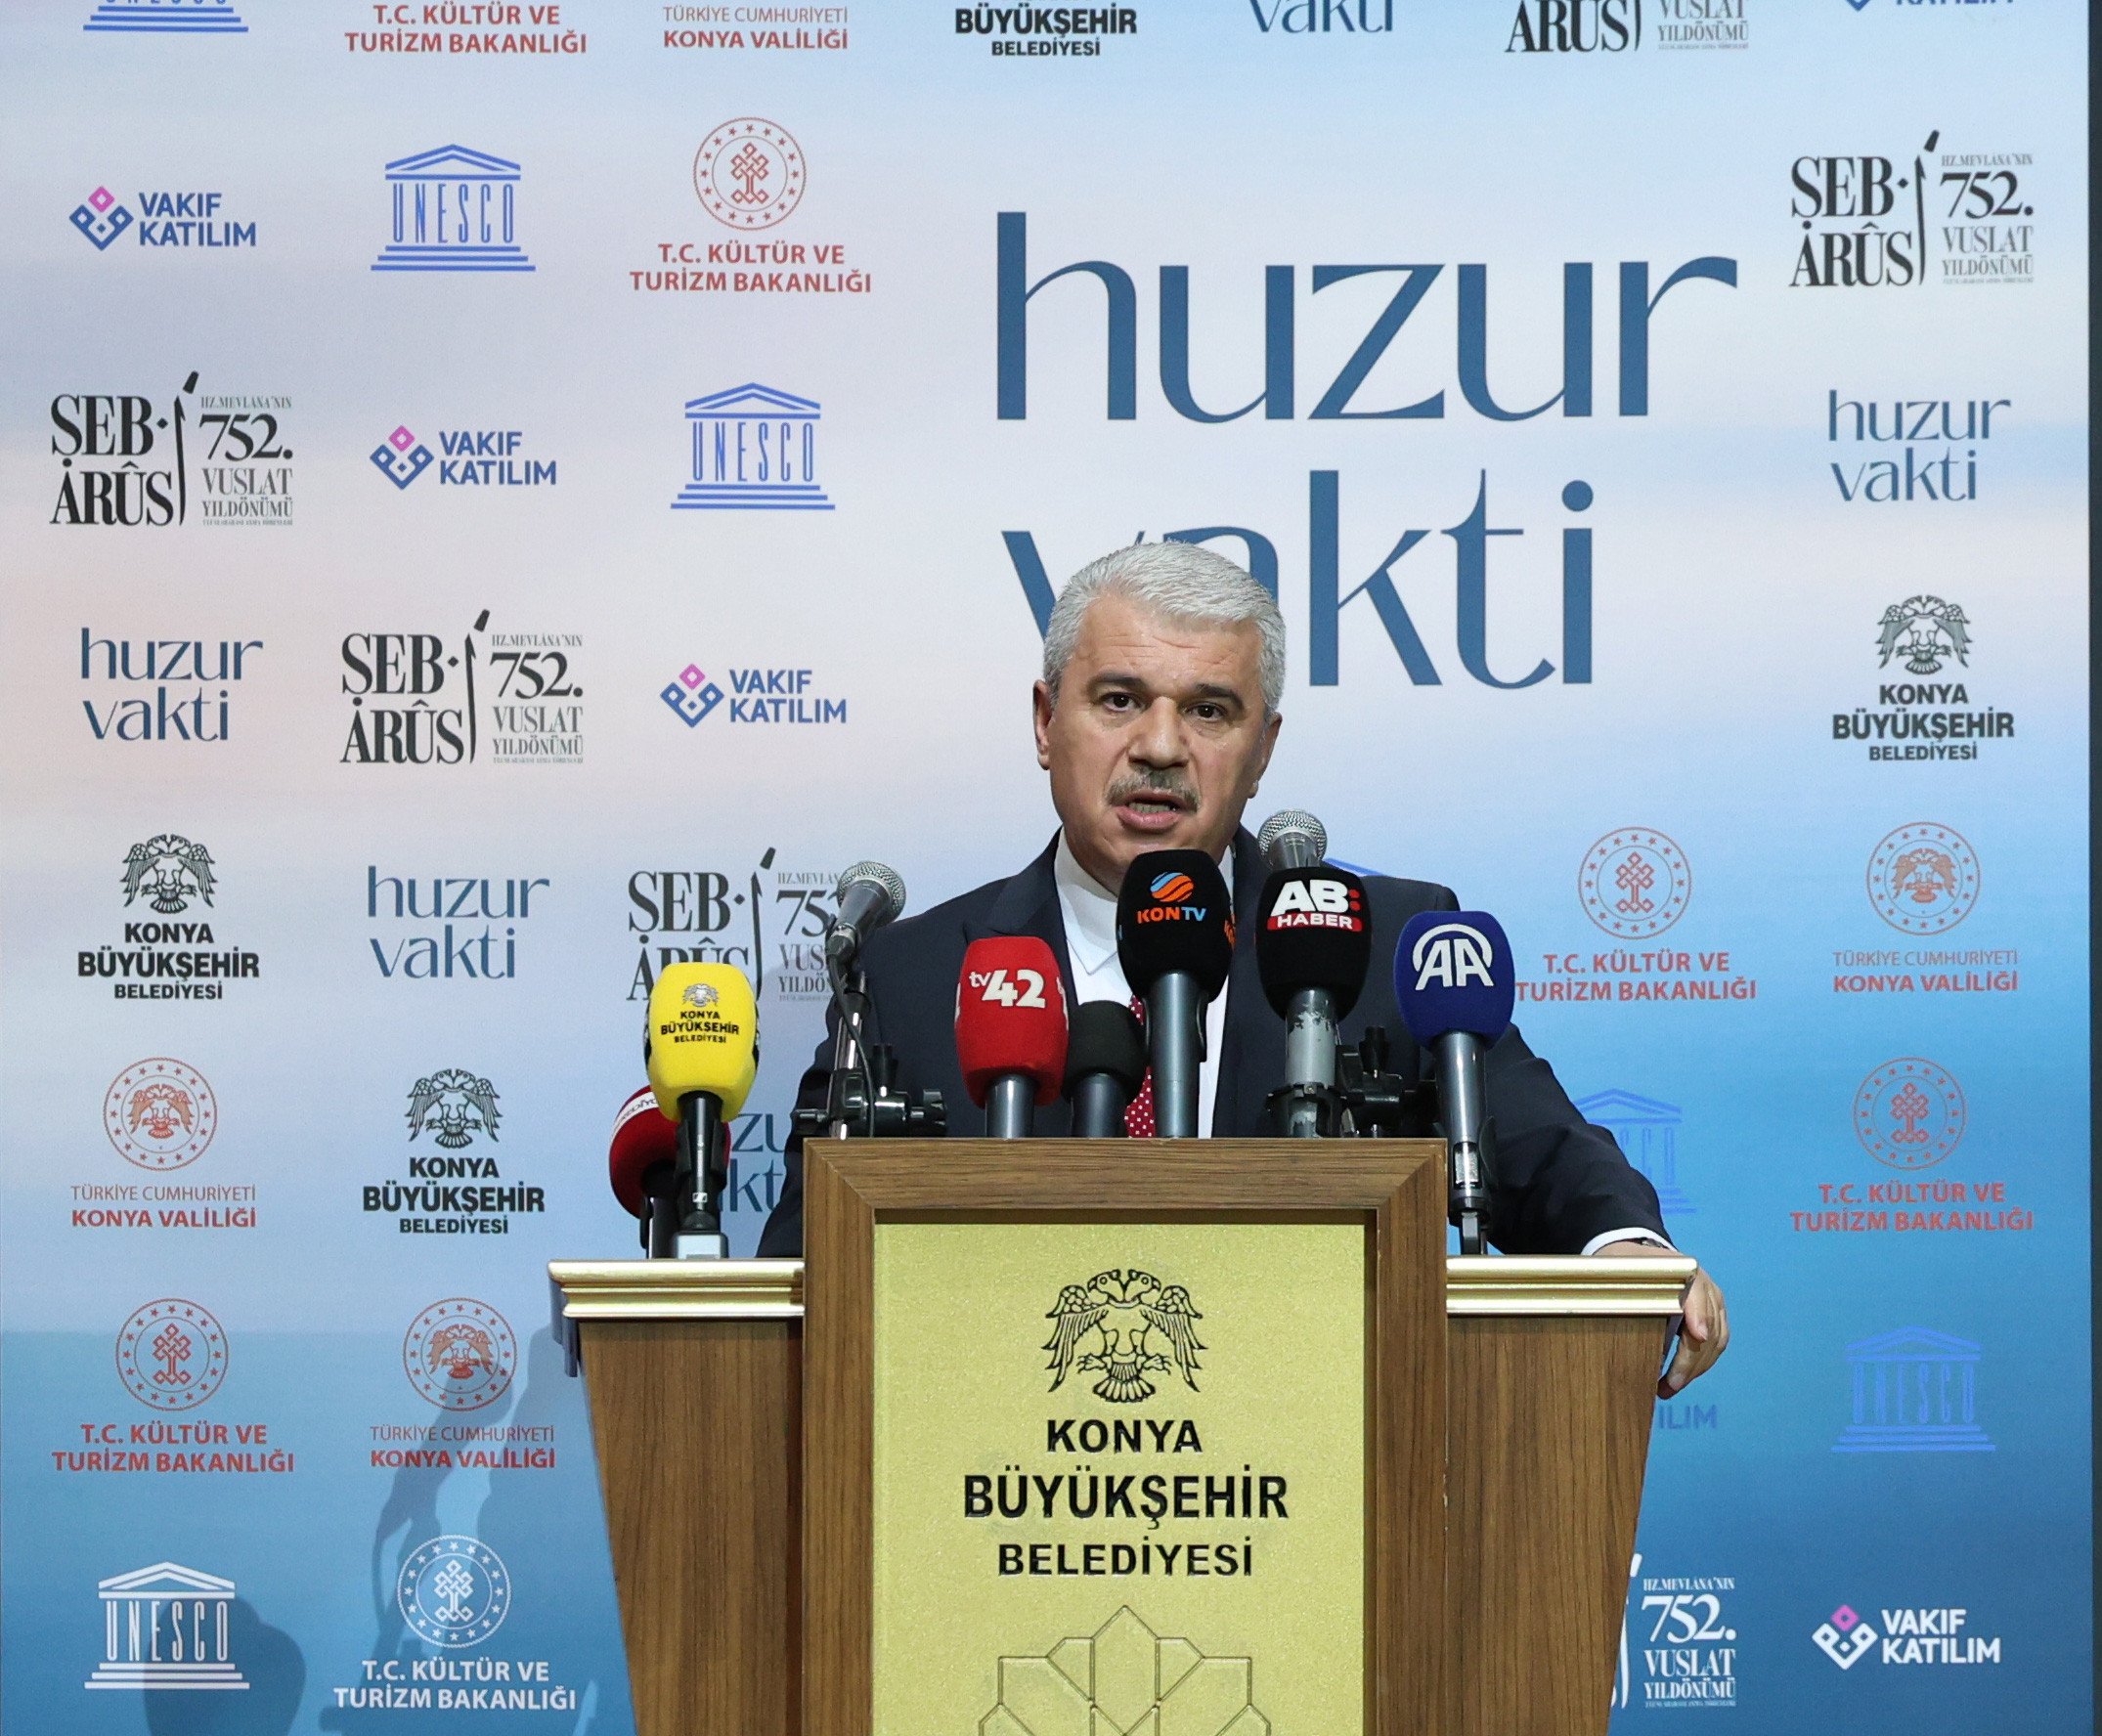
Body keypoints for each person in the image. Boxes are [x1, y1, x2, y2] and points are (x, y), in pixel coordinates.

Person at [759, 542, 1728, 1394]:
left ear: (1262, 751)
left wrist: (1627, 1249)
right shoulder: (910, 976)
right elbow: (802, 1271)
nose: (1159, 747)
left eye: (1209, 711)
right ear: (1046, 722)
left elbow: (1537, 1149)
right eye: (1118, 700)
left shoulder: (1381, 941)